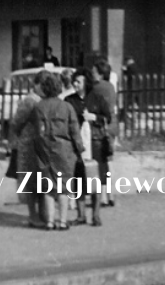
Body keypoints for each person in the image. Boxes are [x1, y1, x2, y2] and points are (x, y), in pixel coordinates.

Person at [31, 69, 82, 230]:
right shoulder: (67, 107)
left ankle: (50, 221)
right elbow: (74, 130)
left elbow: (37, 132)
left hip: (45, 149)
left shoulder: (39, 107)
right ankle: (62, 221)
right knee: (64, 187)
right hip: (64, 151)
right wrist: (79, 149)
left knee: (48, 187)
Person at [8, 77, 44, 227]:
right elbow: (16, 121)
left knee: (42, 180)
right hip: (29, 144)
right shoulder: (30, 101)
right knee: (30, 181)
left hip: (40, 144)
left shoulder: (43, 99)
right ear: (36, 85)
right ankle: (33, 215)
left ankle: (42, 213)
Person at [85, 58, 117, 222]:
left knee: (98, 163)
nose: (92, 74)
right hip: (111, 128)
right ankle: (109, 195)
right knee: (107, 160)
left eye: (94, 71)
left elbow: (89, 108)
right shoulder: (110, 86)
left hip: (99, 128)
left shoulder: (96, 89)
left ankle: (102, 197)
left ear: (100, 73)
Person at [62, 69, 92, 225]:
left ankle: (95, 214)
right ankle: (81, 214)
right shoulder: (69, 100)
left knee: (93, 179)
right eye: (74, 81)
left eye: (79, 81)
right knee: (78, 178)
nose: (75, 84)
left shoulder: (94, 98)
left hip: (93, 141)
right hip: (76, 142)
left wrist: (94, 117)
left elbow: (105, 115)